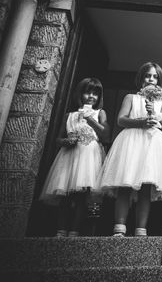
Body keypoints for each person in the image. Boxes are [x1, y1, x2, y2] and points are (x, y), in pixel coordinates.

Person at [98, 62, 162, 237]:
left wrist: (153, 113)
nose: (151, 79)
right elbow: (121, 120)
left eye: (155, 76)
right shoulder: (131, 97)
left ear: (159, 80)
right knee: (126, 184)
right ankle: (119, 228)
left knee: (146, 187)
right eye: (148, 75)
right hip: (131, 141)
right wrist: (140, 122)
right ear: (141, 78)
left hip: (151, 143)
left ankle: (141, 230)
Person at [39, 78, 108, 237]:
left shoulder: (100, 113)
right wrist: (66, 141)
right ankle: (61, 230)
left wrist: (90, 119)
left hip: (89, 157)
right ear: (80, 94)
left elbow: (105, 133)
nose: (91, 96)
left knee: (82, 196)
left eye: (95, 93)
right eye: (87, 92)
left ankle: (75, 231)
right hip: (69, 157)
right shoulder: (69, 115)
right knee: (65, 195)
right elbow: (58, 139)